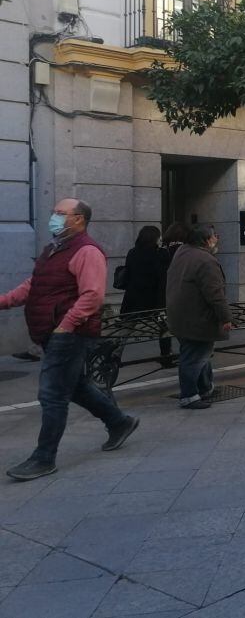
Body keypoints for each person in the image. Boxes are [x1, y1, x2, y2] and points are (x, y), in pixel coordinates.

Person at [0, 198, 139, 481]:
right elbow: (35, 284)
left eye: (61, 213)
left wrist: (67, 325)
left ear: (79, 219)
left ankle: (43, 458)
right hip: (51, 332)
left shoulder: (87, 251)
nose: (54, 217)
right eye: (54, 212)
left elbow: (92, 295)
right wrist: (4, 301)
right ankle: (119, 422)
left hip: (68, 333)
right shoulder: (53, 249)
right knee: (75, 387)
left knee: (52, 394)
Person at [166, 224, 233, 409]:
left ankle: (205, 388)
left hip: (179, 315)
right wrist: (226, 318)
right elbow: (215, 294)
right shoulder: (206, 260)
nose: (217, 239)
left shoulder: (183, 252)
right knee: (195, 356)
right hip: (197, 317)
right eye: (215, 236)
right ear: (206, 240)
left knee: (200, 352)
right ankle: (189, 396)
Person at [120, 225, 174, 362]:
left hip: (133, 298)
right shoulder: (161, 254)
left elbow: (128, 274)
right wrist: (163, 303)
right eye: (159, 236)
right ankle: (166, 356)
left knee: (125, 330)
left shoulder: (132, 252)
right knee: (164, 328)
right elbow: (163, 280)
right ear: (155, 238)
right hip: (154, 299)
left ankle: (114, 354)